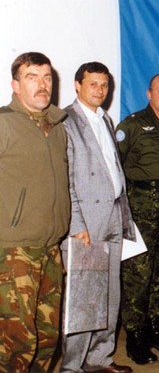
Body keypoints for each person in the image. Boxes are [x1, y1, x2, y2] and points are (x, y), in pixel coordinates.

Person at [60, 62, 136, 372]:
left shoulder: (104, 119)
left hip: (113, 216)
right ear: (77, 85)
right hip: (86, 224)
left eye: (104, 85)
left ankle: (100, 358)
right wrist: (77, 226)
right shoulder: (66, 121)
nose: (100, 90)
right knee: (84, 299)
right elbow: (65, 179)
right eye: (93, 84)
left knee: (109, 295)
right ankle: (72, 366)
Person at [0, 52, 70, 372]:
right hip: (13, 252)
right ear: (15, 85)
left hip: (50, 249)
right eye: (32, 77)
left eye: (47, 78)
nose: (42, 85)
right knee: (17, 342)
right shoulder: (3, 123)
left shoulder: (57, 126)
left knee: (47, 338)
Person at [116, 73, 159, 365]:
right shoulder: (131, 125)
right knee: (138, 273)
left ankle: (155, 327)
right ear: (148, 93)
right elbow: (114, 168)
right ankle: (134, 335)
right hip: (141, 206)